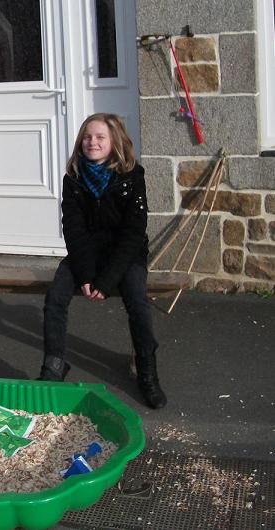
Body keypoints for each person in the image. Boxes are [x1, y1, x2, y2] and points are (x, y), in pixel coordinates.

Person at [39, 113, 167, 409]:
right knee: (56, 295)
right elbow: (73, 228)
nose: (92, 142)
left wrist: (107, 280)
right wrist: (85, 274)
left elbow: (134, 233)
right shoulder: (74, 178)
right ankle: (54, 365)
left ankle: (147, 370)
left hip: (125, 254)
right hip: (87, 253)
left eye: (100, 137)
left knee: (136, 298)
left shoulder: (133, 177)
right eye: (87, 136)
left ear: (114, 142)